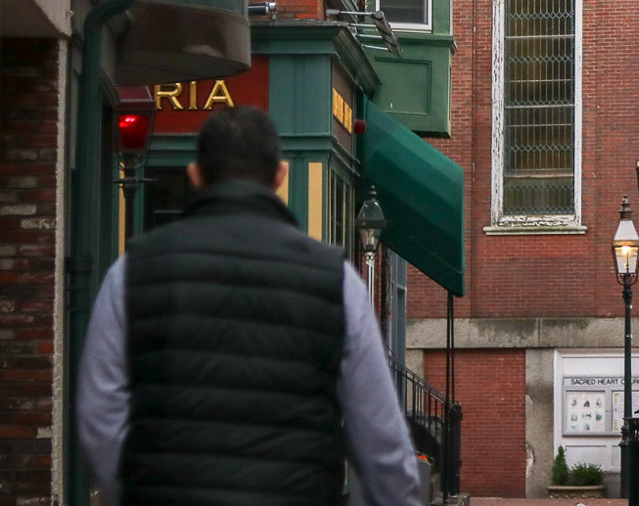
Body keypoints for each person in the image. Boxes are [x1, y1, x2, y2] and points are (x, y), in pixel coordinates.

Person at [77, 106, 423, 506]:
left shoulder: (132, 271)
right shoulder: (336, 281)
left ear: (195, 175)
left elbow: (99, 415)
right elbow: (380, 437)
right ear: (280, 177)